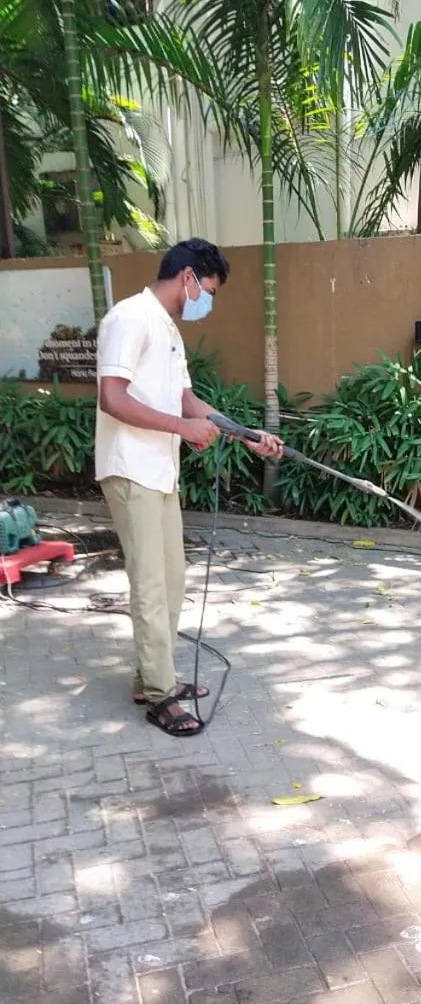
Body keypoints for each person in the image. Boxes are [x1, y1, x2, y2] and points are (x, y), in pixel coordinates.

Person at [95, 237, 283, 737]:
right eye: (210, 291)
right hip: (130, 468)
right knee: (151, 585)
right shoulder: (130, 318)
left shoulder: (168, 331)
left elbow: (186, 400)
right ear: (188, 278)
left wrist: (247, 436)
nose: (209, 302)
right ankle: (160, 695)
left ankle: (150, 679)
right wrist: (181, 429)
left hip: (160, 471)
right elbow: (111, 399)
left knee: (172, 580)